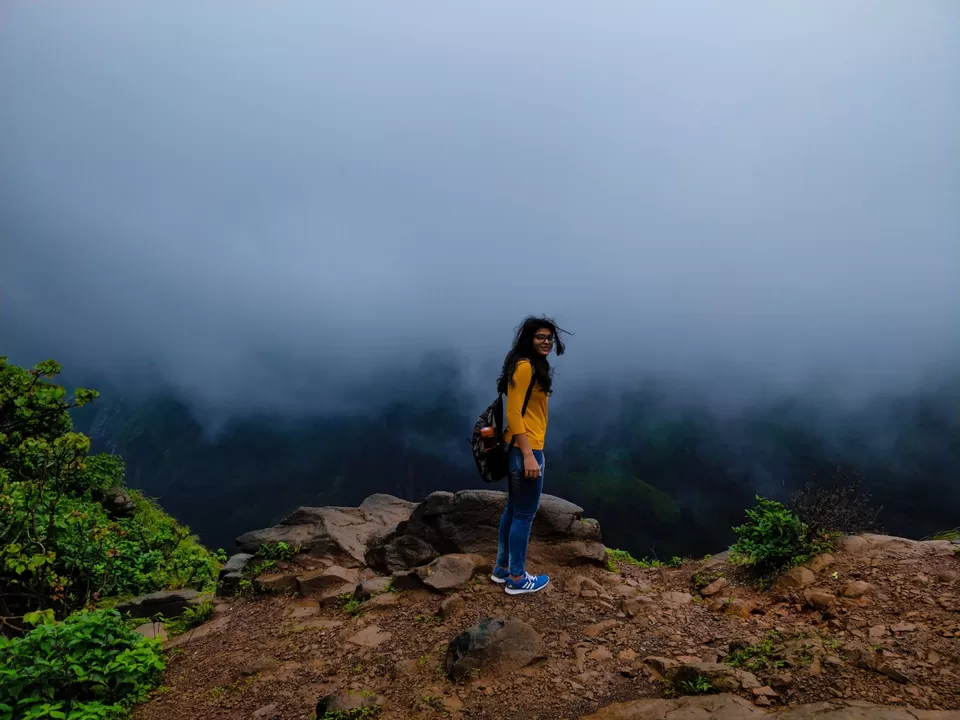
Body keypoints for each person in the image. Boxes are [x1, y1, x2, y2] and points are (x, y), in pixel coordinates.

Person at [490, 316, 567, 595]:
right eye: (540, 337)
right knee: (524, 514)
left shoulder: (529, 365)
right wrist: (529, 455)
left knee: (513, 509)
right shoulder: (524, 366)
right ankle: (518, 578)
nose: (546, 342)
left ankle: (502, 569)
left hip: (519, 448)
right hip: (526, 448)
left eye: (549, 338)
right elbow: (513, 413)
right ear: (528, 339)